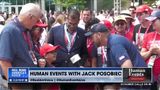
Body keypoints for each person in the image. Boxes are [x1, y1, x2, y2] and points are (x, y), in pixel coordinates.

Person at [85, 23, 147, 89]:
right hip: (135, 80)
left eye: (92, 37)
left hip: (139, 81)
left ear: (99, 35)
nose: (91, 40)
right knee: (107, 88)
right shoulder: (110, 43)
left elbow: (127, 67)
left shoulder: (114, 42)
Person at [0, 3, 42, 90]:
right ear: (30, 17)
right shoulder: (10, 31)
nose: (36, 24)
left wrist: (39, 59)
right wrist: (16, 86)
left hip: (26, 80)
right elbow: (4, 62)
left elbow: (30, 52)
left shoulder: (25, 30)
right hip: (17, 84)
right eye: (36, 20)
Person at [47, 9, 88, 90]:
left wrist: (81, 64)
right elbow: (49, 48)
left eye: (75, 24)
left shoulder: (82, 33)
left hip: (74, 70)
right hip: (58, 69)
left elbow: (84, 52)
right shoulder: (55, 30)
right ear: (66, 19)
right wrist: (51, 64)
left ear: (79, 21)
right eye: (70, 23)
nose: (72, 26)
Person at [141, 10, 160, 90]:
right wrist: (150, 52)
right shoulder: (149, 36)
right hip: (149, 74)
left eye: (153, 21)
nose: (151, 23)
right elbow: (142, 56)